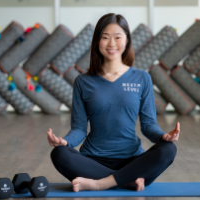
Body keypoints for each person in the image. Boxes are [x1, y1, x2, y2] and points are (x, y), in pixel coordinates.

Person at [47, 13, 179, 192]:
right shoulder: (83, 81)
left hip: (133, 160)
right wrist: (65, 141)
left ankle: (100, 184)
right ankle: (126, 181)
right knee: (59, 154)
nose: (111, 44)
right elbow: (79, 128)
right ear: (97, 42)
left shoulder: (142, 78)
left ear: (126, 41)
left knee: (168, 149)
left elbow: (148, 125)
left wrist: (164, 136)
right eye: (105, 38)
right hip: (93, 161)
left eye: (118, 37)